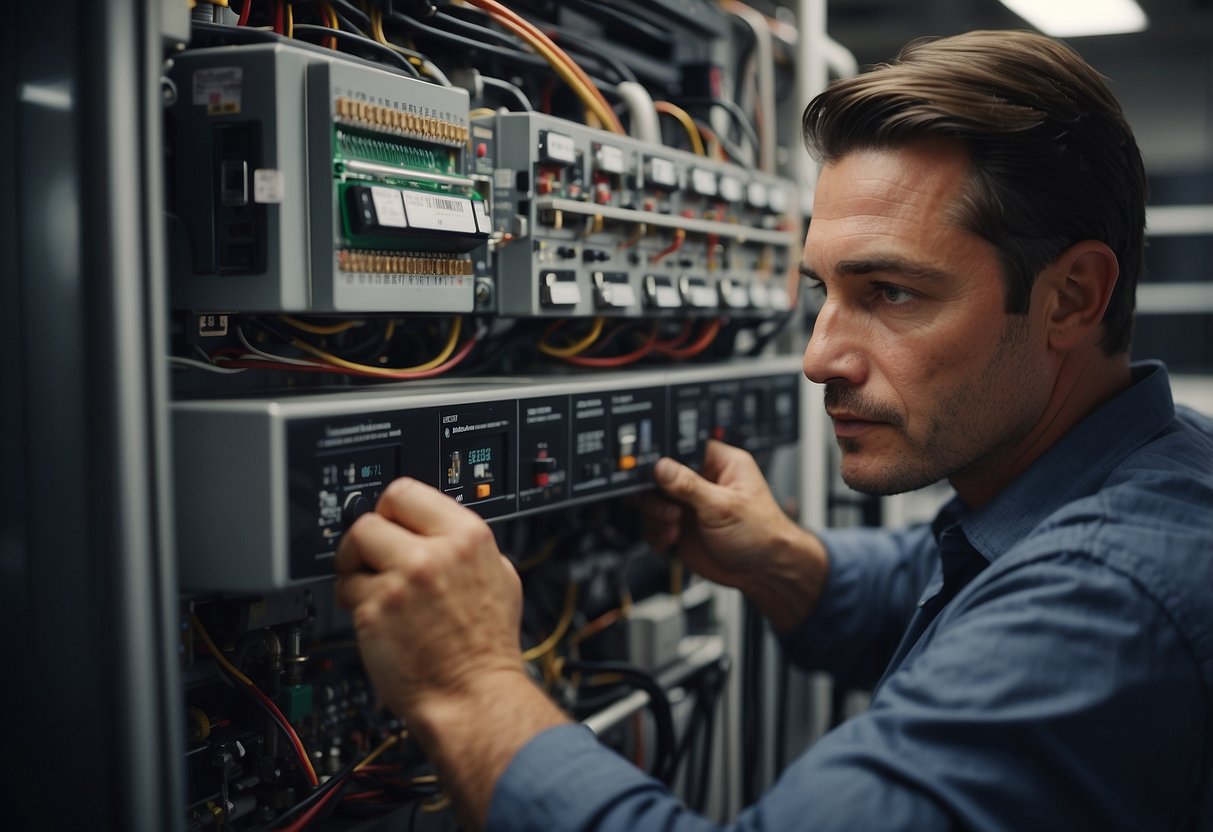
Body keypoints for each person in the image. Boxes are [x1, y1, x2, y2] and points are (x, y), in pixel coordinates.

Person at [334, 29, 1213, 831]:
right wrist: (779, 562)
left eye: (890, 293)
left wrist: (469, 684)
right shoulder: (1128, 465)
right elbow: (937, 578)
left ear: (1071, 297)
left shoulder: (1111, 598)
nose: (819, 357)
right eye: (819, 291)